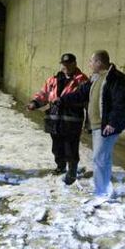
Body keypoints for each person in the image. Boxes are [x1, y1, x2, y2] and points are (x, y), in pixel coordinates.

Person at [58, 50, 125, 202]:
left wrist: (113, 123)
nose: (89, 64)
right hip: (99, 126)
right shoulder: (96, 79)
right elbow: (80, 93)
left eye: (91, 61)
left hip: (106, 126)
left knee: (100, 158)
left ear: (99, 62)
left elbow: (122, 103)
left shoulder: (116, 79)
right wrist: (62, 100)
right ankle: (103, 188)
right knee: (103, 158)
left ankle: (101, 192)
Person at [27, 53, 88, 185]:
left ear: (74, 63)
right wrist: (35, 103)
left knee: (71, 147)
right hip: (54, 119)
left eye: (69, 64)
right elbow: (43, 94)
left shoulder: (82, 80)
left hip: (71, 120)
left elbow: (84, 99)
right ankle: (60, 167)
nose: (66, 67)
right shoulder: (53, 79)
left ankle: (72, 171)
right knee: (57, 147)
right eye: (64, 64)